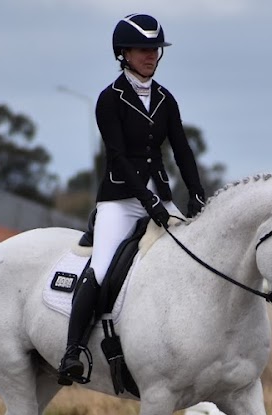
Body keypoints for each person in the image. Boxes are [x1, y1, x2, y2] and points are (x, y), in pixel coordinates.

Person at [57, 12, 207, 385]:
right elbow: (118, 157)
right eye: (143, 49)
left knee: (191, 261)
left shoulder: (165, 99)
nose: (151, 55)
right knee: (103, 268)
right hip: (120, 200)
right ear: (123, 52)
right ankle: (72, 351)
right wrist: (148, 203)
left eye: (155, 49)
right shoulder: (110, 99)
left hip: (160, 194)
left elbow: (182, 149)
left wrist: (197, 194)